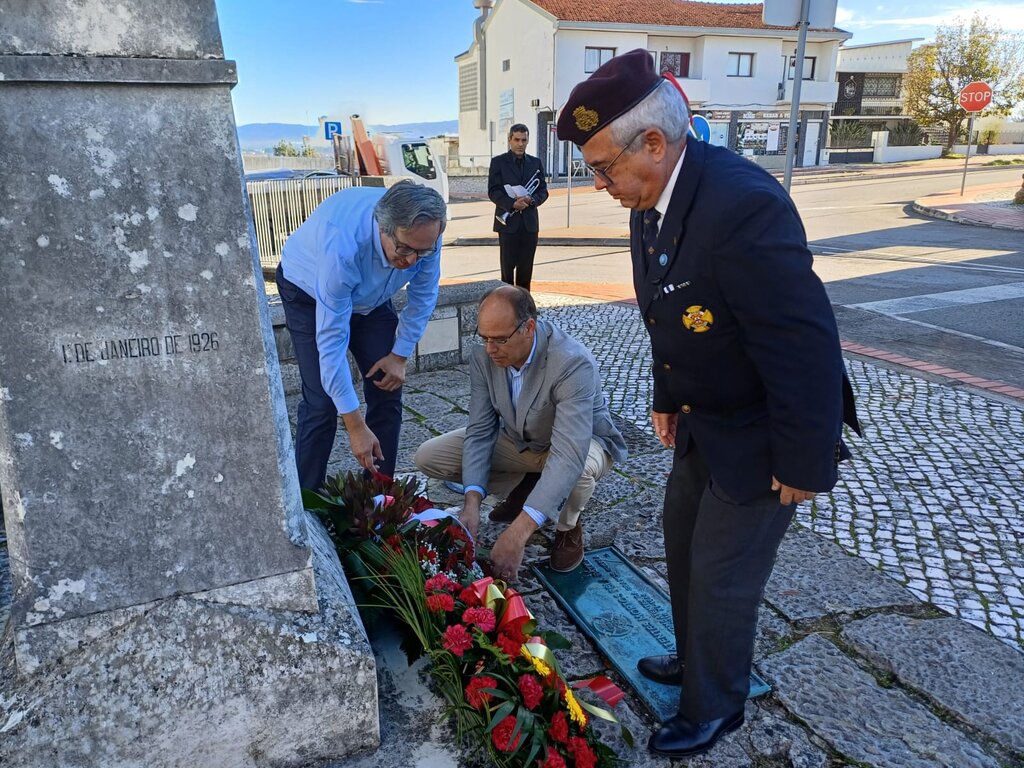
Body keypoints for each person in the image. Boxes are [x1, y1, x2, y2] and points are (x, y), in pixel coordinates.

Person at [557, 49, 860, 759]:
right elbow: (669, 312)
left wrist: (805, 458)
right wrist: (668, 395)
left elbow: (802, 339)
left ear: (653, 143)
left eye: (603, 167)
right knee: (684, 546)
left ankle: (714, 704)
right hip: (702, 418)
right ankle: (696, 659)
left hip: (759, 430)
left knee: (725, 576)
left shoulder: (741, 203)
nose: (598, 184)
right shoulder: (650, 198)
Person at [414, 285, 626, 576]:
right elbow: (480, 430)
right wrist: (471, 503)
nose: (490, 349)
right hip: (524, 442)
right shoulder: (484, 355)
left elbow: (568, 455)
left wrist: (519, 533)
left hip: (581, 443)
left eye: (500, 339)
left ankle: (568, 526)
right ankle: (526, 487)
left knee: (578, 471)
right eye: (484, 337)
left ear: (529, 327)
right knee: (429, 456)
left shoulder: (571, 363)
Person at [276, 181, 446, 490]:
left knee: (387, 386)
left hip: (371, 300)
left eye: (421, 252)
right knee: (322, 402)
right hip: (308, 291)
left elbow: (424, 296)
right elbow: (331, 344)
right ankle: (306, 500)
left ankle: (378, 499)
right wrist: (355, 425)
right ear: (383, 228)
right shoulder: (342, 245)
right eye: (404, 249)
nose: (411, 260)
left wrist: (399, 355)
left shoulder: (427, 234)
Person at [488, 123, 549, 291]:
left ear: (528, 140)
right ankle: (507, 303)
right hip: (507, 224)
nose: (520, 144)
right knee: (507, 270)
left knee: (526, 269)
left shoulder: (535, 163)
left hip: (529, 224)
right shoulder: (498, 162)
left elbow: (543, 191)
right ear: (509, 140)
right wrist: (512, 204)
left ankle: (524, 302)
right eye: (517, 140)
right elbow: (493, 191)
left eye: (524, 140)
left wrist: (532, 200)